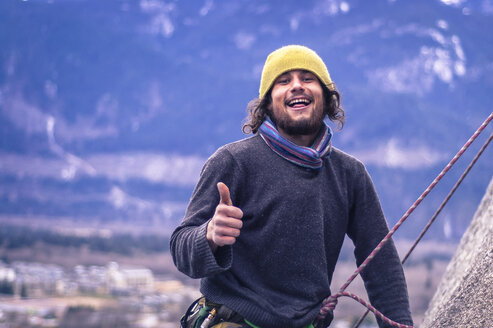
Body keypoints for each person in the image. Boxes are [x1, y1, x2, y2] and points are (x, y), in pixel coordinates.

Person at [170, 45, 413, 328]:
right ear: (268, 104)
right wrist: (209, 236)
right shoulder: (233, 162)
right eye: (283, 81)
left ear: (326, 97)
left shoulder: (350, 174)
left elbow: (380, 262)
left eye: (308, 78)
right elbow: (181, 252)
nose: (297, 86)